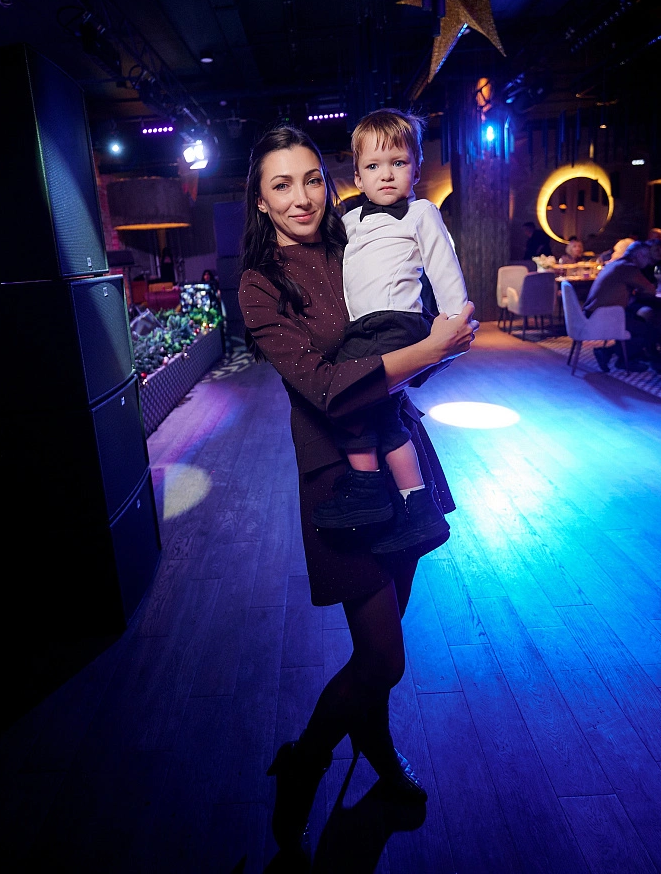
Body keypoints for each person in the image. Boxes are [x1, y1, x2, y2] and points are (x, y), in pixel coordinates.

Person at [238, 125, 477, 854]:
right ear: (260, 201)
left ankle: (377, 753)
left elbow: (414, 336)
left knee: (382, 645)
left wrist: (436, 347)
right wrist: (428, 348)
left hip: (398, 455)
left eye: (312, 178)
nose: (302, 197)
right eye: (282, 185)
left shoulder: (357, 237)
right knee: (383, 657)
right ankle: (306, 762)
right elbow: (324, 386)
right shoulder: (260, 284)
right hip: (338, 476)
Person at [311, 109, 468, 554]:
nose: (386, 174)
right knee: (386, 417)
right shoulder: (349, 221)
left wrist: (454, 322)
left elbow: (444, 266)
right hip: (362, 328)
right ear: (358, 176)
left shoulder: (420, 213)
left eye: (398, 163)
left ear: (416, 169)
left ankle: (367, 489)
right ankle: (418, 508)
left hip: (396, 323)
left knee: (346, 397)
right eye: (374, 166)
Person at [584, 241, 657, 372]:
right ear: (639, 255)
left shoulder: (616, 264)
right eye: (647, 257)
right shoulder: (628, 267)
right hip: (603, 317)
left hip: (592, 313)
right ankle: (615, 356)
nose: (649, 261)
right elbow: (651, 289)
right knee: (648, 329)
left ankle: (630, 354)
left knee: (635, 319)